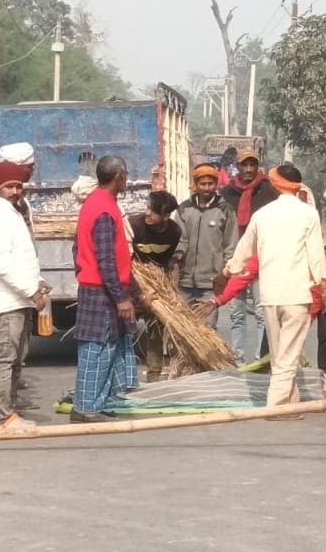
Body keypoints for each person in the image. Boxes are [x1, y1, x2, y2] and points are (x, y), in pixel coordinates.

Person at [223, 164, 326, 412]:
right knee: (287, 357)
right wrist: (323, 287)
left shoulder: (262, 214)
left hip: (270, 296)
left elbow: (243, 252)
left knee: (281, 352)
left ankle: (290, 404)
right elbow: (316, 258)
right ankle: (277, 406)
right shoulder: (309, 214)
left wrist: (228, 271)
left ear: (275, 184)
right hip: (297, 295)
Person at [0, 158, 45, 431]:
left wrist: (37, 284)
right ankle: (2, 416)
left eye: (18, 186)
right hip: (5, 301)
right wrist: (31, 290)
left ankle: (9, 411)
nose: (15, 191)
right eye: (9, 186)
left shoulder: (9, 211)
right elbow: (0, 264)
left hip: (17, 298)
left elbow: (23, 258)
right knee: (4, 360)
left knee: (15, 359)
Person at [72, 156, 140, 423]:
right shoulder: (102, 209)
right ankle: (86, 407)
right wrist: (120, 297)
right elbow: (105, 259)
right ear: (119, 177)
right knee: (96, 349)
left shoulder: (97, 203)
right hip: (100, 290)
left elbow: (79, 248)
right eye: (125, 176)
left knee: (109, 347)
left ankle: (98, 401)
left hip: (98, 287)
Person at [221, 148, 277, 362]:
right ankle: (238, 357)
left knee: (262, 311)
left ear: (258, 166)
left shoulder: (269, 191)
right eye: (245, 164)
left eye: (253, 164)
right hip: (236, 258)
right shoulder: (227, 194)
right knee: (237, 311)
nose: (249, 169)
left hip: (262, 259)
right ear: (238, 166)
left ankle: (261, 357)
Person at [173, 165, 236, 337]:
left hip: (211, 283)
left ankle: (206, 365)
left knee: (207, 331)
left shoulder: (225, 210)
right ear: (196, 185)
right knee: (182, 330)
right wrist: (176, 259)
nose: (207, 188)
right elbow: (180, 239)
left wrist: (225, 275)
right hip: (185, 282)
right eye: (203, 184)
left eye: (210, 183)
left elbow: (230, 246)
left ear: (216, 184)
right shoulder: (185, 209)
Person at [130, 191, 182, 379]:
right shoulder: (134, 225)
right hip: (133, 285)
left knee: (156, 331)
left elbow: (168, 263)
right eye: (148, 208)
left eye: (153, 211)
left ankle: (154, 374)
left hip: (156, 287)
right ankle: (124, 374)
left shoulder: (174, 232)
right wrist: (138, 289)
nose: (148, 213)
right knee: (125, 330)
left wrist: (169, 287)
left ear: (166, 216)